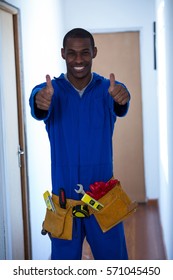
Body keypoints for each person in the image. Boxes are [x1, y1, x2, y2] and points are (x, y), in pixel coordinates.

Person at [29, 28, 130, 260]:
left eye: (85, 52)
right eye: (72, 53)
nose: (78, 60)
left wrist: (123, 97)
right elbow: (38, 101)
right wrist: (39, 99)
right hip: (64, 205)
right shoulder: (51, 92)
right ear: (63, 53)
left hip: (104, 201)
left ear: (94, 52)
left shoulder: (108, 90)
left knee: (117, 266)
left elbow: (121, 102)